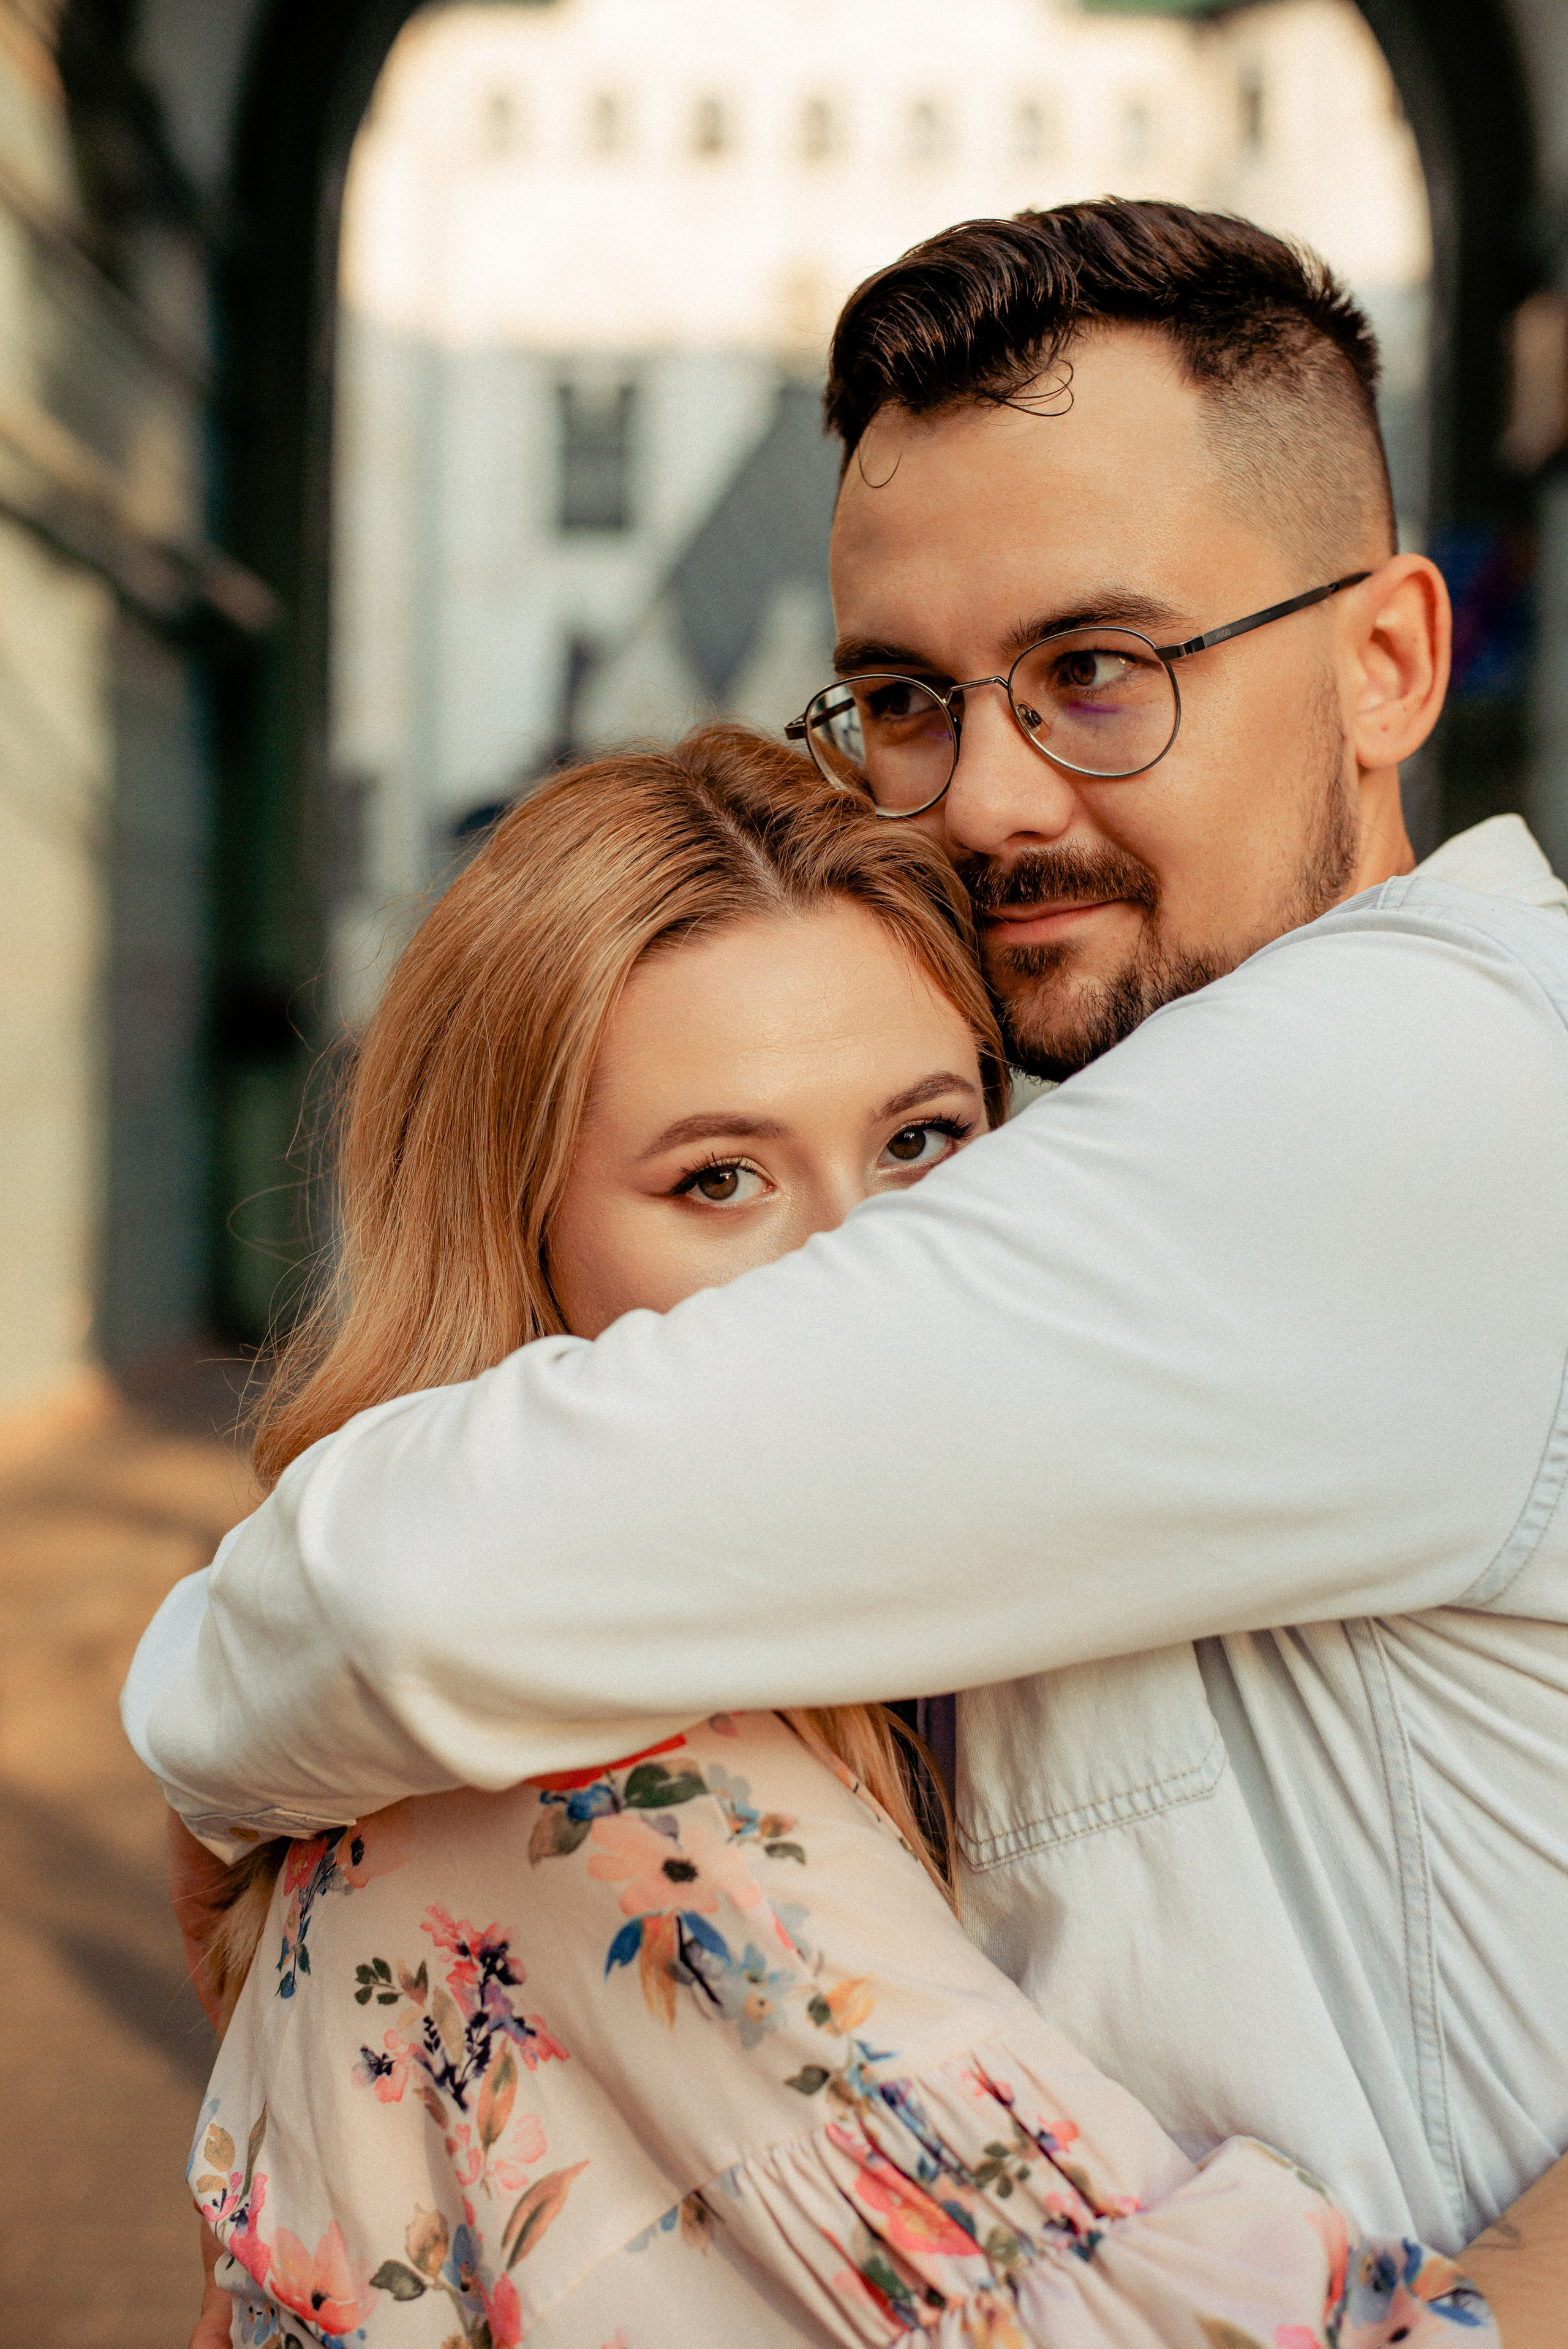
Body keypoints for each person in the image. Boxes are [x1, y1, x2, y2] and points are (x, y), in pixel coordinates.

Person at [126, 201, 1568, 2283]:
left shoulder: (1416, 1078)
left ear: (1388, 663)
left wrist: (208, 1733)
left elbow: (416, 1587)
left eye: (1095, 672)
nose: (980, 797)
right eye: (906, 695)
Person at [172, 730, 1485, 2349]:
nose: (865, 1274)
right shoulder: (623, 1800)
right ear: (520, 1243)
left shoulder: (930, 1643)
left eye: (926, 1140)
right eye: (720, 1178)